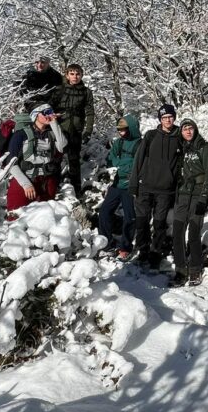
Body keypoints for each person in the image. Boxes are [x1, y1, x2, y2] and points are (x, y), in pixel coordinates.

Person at [129, 104, 184, 267]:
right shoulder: (151, 136)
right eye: (164, 117)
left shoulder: (179, 137)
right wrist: (134, 184)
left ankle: (155, 252)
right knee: (142, 222)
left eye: (170, 117)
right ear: (160, 119)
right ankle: (143, 251)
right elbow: (138, 160)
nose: (168, 120)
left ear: (174, 117)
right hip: (145, 186)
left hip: (165, 190)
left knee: (159, 224)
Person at [172, 118, 208, 286]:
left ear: (195, 130)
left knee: (193, 233)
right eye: (185, 129)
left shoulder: (205, 148)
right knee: (178, 232)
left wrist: (204, 198)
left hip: (198, 195)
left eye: (190, 128)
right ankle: (180, 270)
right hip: (183, 196)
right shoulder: (182, 149)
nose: (188, 131)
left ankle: (195, 269)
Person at [5, 104, 67, 212]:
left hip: (47, 181)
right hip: (25, 179)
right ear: (35, 115)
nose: (49, 115)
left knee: (45, 218)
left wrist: (54, 122)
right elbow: (10, 163)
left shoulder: (52, 134)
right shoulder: (21, 134)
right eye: (45, 112)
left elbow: (62, 147)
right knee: (18, 218)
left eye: (51, 112)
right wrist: (26, 184)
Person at [98, 115, 140, 260]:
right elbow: (110, 159)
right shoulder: (118, 143)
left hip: (131, 186)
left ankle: (126, 247)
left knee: (130, 217)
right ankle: (106, 244)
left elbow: (136, 165)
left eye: (124, 130)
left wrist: (120, 164)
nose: (121, 132)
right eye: (119, 130)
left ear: (131, 129)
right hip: (116, 183)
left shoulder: (140, 144)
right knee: (104, 212)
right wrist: (122, 164)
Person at [50, 63, 95, 196]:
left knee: (74, 160)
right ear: (67, 75)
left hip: (76, 130)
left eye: (78, 74)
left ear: (81, 75)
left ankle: (77, 190)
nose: (75, 76)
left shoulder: (86, 92)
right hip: (59, 130)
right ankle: (53, 188)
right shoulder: (59, 90)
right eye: (72, 73)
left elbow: (90, 112)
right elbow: (49, 109)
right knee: (56, 160)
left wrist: (88, 130)